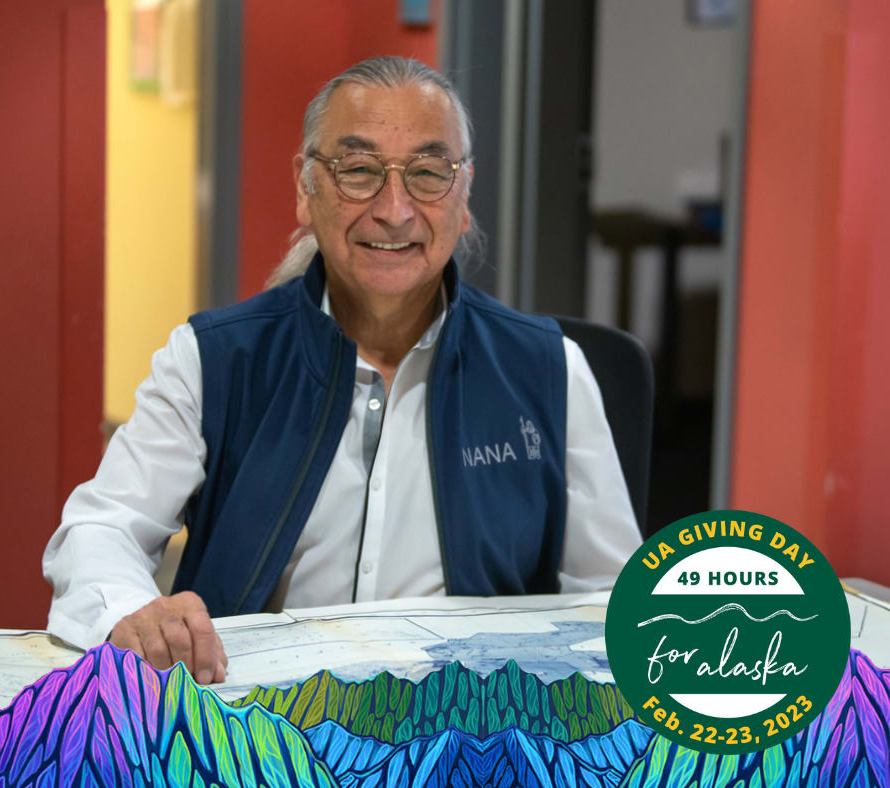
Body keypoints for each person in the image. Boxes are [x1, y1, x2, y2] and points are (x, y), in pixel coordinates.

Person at [43, 56, 641, 686]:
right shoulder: (214, 360)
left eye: (429, 174)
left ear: (463, 197)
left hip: (474, 730)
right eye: (357, 172)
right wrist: (133, 611)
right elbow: (101, 529)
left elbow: (609, 599)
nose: (394, 210)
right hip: (263, 731)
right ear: (306, 188)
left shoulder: (549, 371)